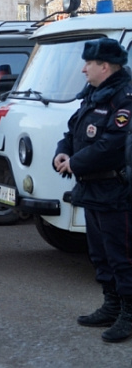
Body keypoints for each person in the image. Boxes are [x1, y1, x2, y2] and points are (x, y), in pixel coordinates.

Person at [54, 38, 132, 343]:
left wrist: (74, 163)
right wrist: (62, 152)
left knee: (122, 255)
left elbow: (112, 145)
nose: (83, 69)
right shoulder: (94, 95)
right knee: (100, 254)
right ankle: (111, 306)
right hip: (92, 188)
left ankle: (129, 313)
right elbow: (73, 131)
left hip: (115, 191)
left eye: (89, 63)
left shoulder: (124, 98)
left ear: (106, 66)